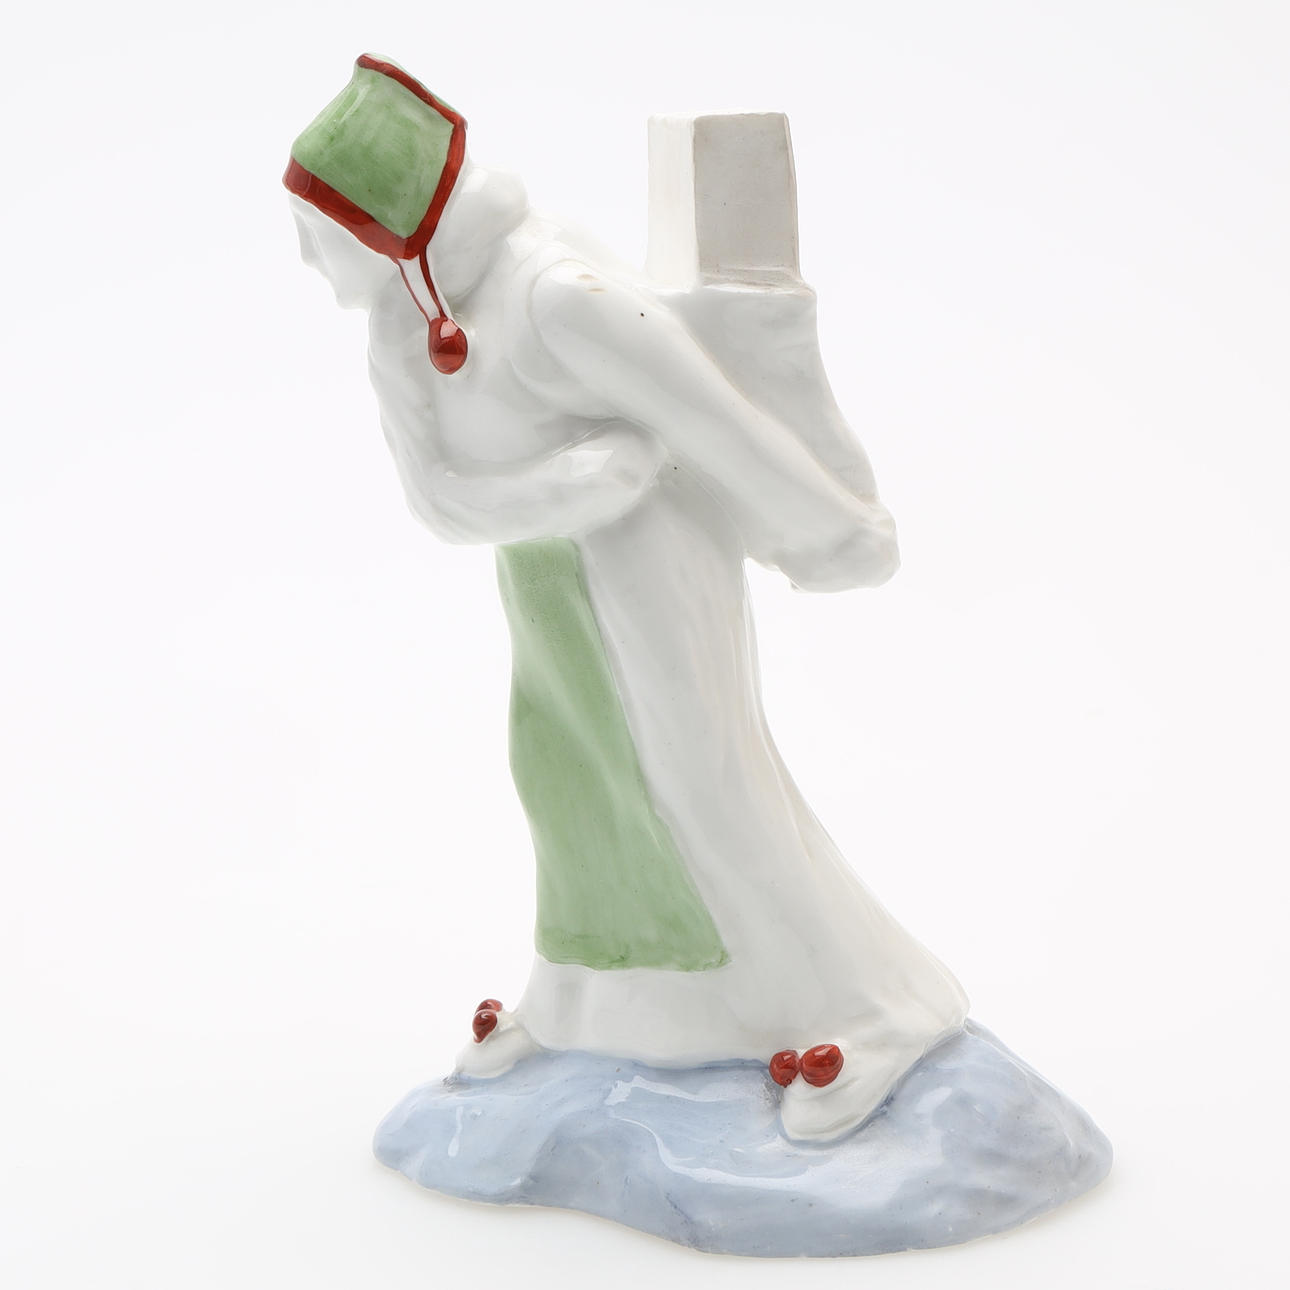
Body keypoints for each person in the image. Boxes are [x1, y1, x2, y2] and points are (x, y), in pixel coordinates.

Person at [287, 55, 968, 1141]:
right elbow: (439, 501)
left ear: (385, 226)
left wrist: (834, 529)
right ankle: (583, 1010)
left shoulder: (554, 296)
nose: (305, 258)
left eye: (317, 233)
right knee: (570, 785)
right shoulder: (402, 329)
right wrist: (567, 487)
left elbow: (713, 417)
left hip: (649, 569)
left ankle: (875, 1011)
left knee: (704, 783)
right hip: (545, 578)